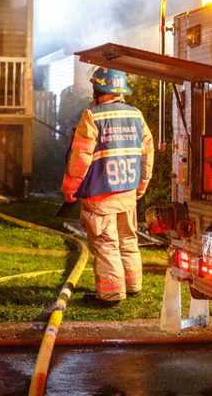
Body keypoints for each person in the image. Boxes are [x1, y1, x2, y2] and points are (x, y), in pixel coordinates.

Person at [61, 66, 154, 304]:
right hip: (128, 192)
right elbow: (147, 153)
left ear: (98, 88)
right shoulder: (136, 115)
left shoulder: (93, 116)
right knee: (128, 240)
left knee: (106, 243)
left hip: (101, 195)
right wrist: (142, 184)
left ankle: (111, 294)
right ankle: (133, 285)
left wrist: (70, 188)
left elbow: (81, 157)